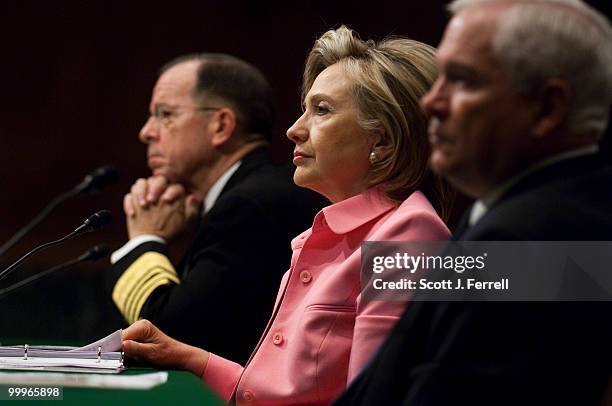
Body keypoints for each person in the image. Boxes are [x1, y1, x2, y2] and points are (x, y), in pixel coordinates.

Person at [120, 26, 452, 405]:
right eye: (304, 110)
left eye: (322, 110)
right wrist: (189, 359)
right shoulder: (318, 234)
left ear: (382, 141)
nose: (295, 130)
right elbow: (280, 391)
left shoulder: (409, 232)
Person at [334, 0, 612, 405]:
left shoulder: (528, 242)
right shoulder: (525, 214)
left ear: (548, 108)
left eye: (463, 81)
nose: (431, 102)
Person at [105, 53, 326, 364]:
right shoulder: (242, 196)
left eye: (165, 114)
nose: (147, 132)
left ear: (221, 125)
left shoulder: (249, 206)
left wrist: (144, 239)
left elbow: (171, 336)